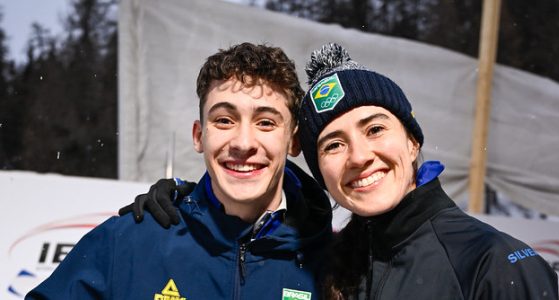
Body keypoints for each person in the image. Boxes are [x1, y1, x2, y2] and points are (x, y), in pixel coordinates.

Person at [126, 43, 559, 299]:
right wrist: (194, 201)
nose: (358, 156)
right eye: (333, 145)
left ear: (412, 141)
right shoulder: (325, 262)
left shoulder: (494, 263)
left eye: (374, 129)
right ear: (321, 170)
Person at [26, 43, 332, 300]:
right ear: (199, 136)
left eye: (265, 122)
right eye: (224, 120)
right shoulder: (126, 242)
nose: (243, 142)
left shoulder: (331, 263)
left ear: (293, 141)